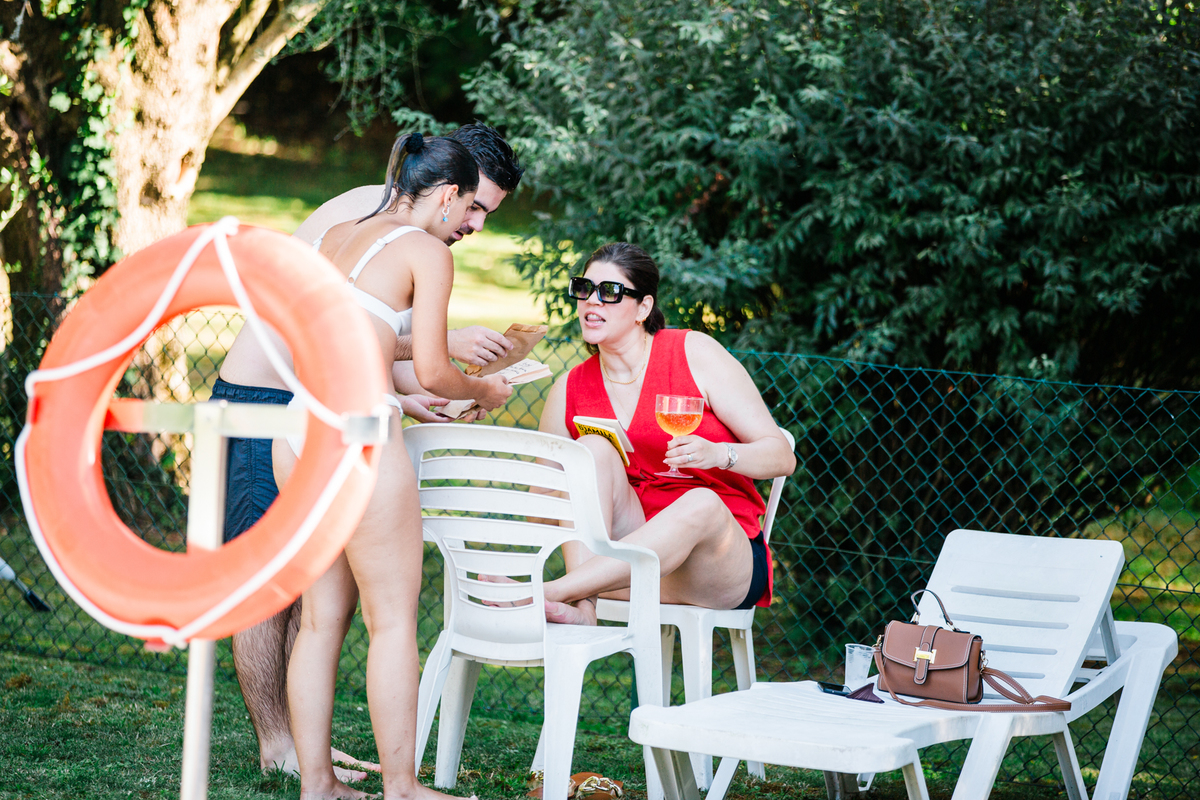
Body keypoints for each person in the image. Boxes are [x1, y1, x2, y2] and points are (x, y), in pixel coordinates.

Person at [214, 128, 518, 785]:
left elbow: (345, 338)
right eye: (469, 206)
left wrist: (402, 395)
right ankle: (403, 789)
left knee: (321, 621)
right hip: (357, 437)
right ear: (444, 193)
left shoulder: (340, 235)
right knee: (393, 624)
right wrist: (484, 388)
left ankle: (316, 785)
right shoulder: (426, 253)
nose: (471, 222)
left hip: (298, 428)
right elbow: (437, 368)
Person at [534, 243, 795, 623]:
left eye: (609, 292)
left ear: (643, 307)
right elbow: (545, 499)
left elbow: (781, 457)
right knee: (588, 451)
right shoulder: (569, 389)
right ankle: (584, 605)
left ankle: (559, 592)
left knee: (700, 503)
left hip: (718, 560)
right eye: (584, 288)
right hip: (629, 557)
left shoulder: (693, 353)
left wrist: (721, 454)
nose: (592, 302)